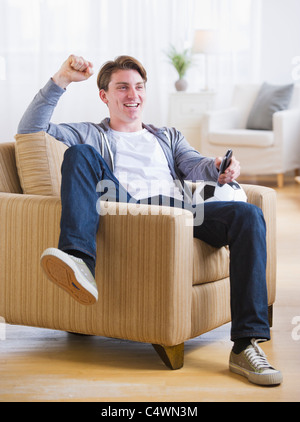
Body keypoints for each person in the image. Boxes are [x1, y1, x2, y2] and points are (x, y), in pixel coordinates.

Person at [18, 54, 282, 386]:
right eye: (123, 87)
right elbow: (30, 129)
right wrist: (61, 79)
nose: (133, 95)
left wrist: (219, 168)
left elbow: (195, 163)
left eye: (139, 87)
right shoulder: (89, 133)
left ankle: (246, 345)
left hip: (180, 213)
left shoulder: (167, 136)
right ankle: (79, 259)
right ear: (105, 95)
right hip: (131, 209)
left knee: (248, 214)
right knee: (79, 154)